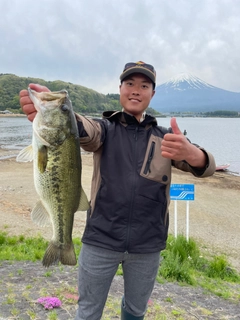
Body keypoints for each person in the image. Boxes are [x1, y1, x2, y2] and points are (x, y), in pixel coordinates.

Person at [19, 61, 216, 320]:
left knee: (135, 310)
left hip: (148, 245)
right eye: (130, 84)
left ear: (152, 94)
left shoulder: (165, 137)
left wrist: (193, 153)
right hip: (100, 239)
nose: (136, 90)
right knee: (88, 311)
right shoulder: (105, 129)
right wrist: (57, 114)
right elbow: (84, 130)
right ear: (120, 89)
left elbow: (206, 166)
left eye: (144, 85)